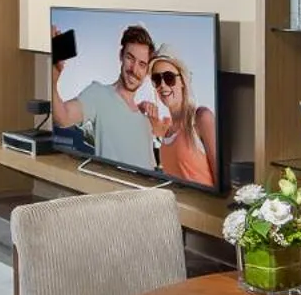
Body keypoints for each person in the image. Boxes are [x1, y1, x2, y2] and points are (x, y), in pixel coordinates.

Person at [51, 22, 159, 172]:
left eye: (142, 64)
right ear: (121, 56)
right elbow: (62, 117)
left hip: (144, 195)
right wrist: (52, 81)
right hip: (113, 194)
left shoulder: (145, 120)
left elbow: (151, 170)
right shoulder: (98, 94)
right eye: (130, 58)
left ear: (147, 71)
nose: (134, 69)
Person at [143, 46, 217, 190]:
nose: (162, 85)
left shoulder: (201, 118)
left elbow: (220, 183)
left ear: (182, 81)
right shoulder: (167, 131)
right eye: (157, 79)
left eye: (169, 78)